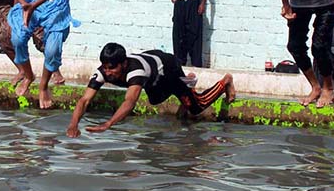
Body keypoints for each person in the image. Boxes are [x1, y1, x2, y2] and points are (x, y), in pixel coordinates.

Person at [66, 43, 234, 138]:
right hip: (153, 69)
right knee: (155, 100)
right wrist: (73, 125)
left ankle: (225, 81)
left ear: (123, 64)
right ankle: (187, 85)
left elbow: (130, 102)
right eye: (105, 67)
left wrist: (108, 124)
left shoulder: (136, 72)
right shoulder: (103, 71)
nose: (108, 72)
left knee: (196, 107)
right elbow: (84, 100)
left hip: (169, 68)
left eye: (112, 68)